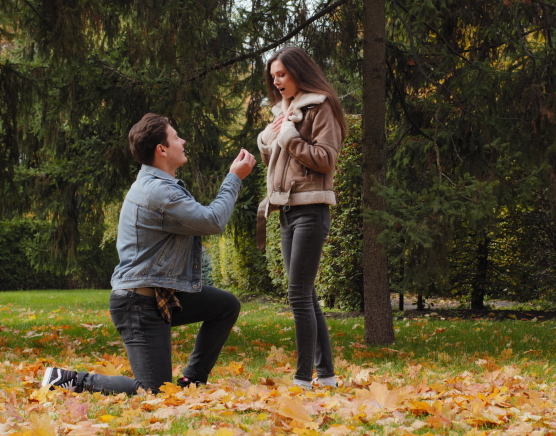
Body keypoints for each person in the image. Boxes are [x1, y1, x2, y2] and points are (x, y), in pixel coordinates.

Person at [41, 113, 256, 394]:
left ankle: (192, 381)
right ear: (162, 149)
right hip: (137, 306)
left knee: (225, 305)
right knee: (153, 390)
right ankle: (67, 379)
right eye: (176, 137)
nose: (184, 141)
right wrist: (233, 178)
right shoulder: (158, 192)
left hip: (162, 297)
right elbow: (212, 221)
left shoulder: (160, 186)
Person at [255, 46, 347, 389]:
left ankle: (302, 377)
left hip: (311, 208)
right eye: (273, 76)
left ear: (298, 73)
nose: (276, 82)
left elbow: (326, 159)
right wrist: (269, 139)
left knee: (297, 294)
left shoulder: (321, 107)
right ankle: (326, 375)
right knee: (305, 295)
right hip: (286, 209)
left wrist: (289, 137)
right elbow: (277, 163)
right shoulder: (286, 111)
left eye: (282, 74)